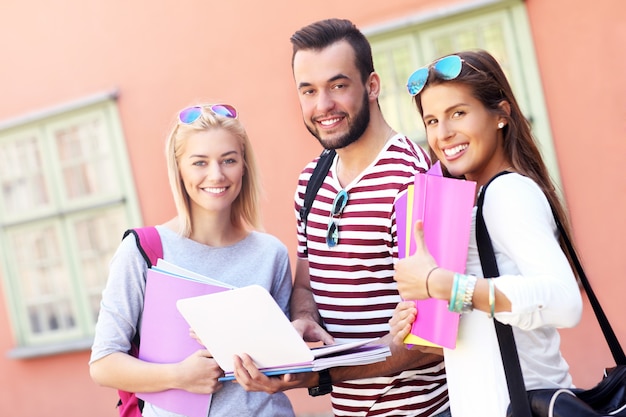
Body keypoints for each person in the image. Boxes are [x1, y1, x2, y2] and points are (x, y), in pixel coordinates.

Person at [232, 18, 450, 417]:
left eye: (337, 85)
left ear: (371, 86)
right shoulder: (310, 180)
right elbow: (306, 284)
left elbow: (430, 341)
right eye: (309, 91)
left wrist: (318, 375)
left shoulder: (416, 180)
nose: (323, 106)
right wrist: (303, 321)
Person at [389, 49, 583, 417]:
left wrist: (443, 284)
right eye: (431, 120)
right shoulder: (473, 201)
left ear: (501, 115)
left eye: (457, 113)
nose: (443, 134)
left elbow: (564, 302)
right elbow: (489, 326)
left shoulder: (509, 193)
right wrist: (418, 322)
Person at [89, 103, 296, 417]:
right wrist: (179, 376)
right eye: (200, 162)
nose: (217, 174)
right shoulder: (143, 252)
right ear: (179, 169)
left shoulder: (271, 254)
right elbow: (103, 364)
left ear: (244, 166)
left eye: (229, 160)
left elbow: (284, 366)